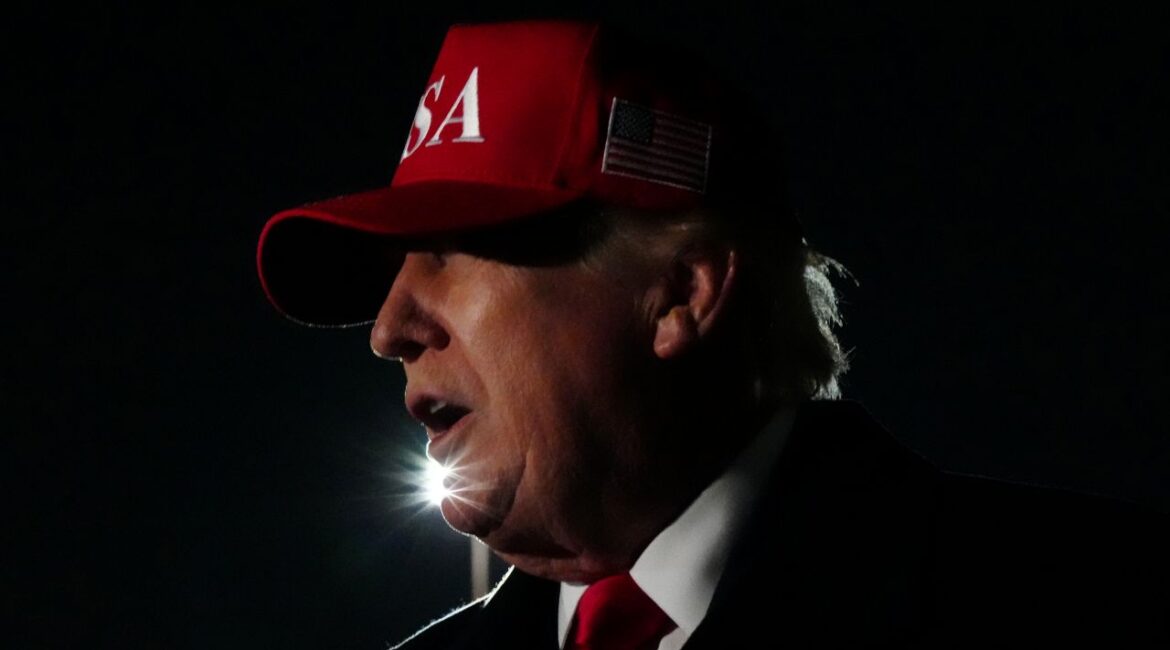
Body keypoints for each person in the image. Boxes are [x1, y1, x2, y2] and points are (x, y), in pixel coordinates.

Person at [257, 19, 1169, 649]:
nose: (388, 328)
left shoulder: (1088, 601)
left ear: (683, 293)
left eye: (456, 250)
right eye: (395, 269)